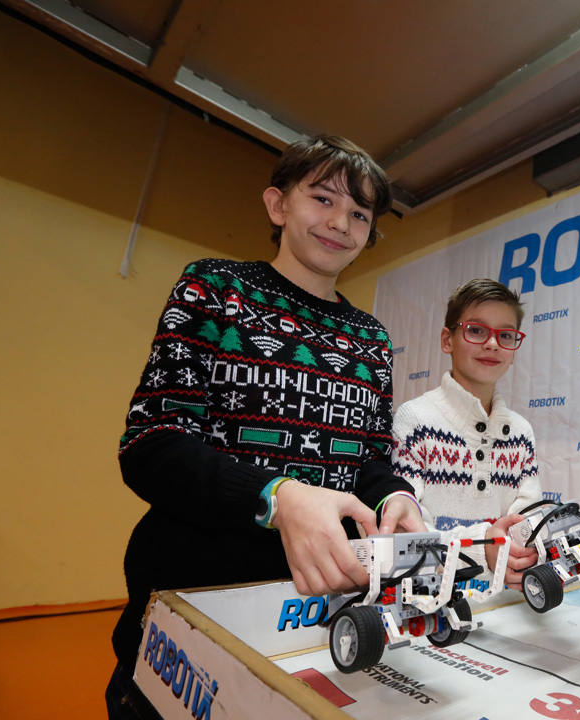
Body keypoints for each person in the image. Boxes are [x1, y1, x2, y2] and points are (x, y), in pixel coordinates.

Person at [106, 135, 424, 719]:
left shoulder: (371, 338)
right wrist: (275, 496)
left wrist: (396, 496)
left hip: (318, 620)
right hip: (193, 613)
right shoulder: (213, 287)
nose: (341, 223)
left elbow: (371, 460)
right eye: (323, 199)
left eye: (359, 213)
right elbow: (151, 444)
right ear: (278, 206)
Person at [391, 279, 542, 588]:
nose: (492, 344)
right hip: (432, 600)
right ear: (448, 340)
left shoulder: (521, 431)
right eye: (476, 330)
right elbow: (406, 534)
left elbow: (528, 517)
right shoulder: (414, 419)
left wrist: (525, 551)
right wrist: (481, 547)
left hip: (505, 601)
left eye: (506, 335)